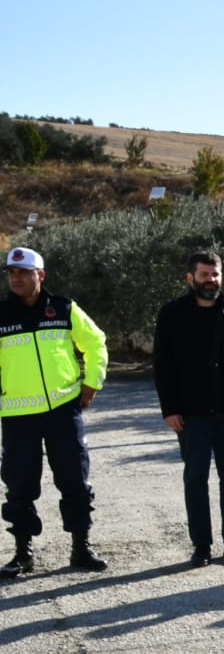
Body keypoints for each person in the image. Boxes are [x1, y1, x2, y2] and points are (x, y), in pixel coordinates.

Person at [0, 246, 110, 578]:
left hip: (63, 411)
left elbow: (95, 342)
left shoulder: (63, 308)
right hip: (18, 415)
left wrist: (92, 381)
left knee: (75, 479)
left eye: (24, 272)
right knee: (18, 485)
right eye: (11, 273)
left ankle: (81, 547)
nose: (16, 278)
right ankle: (22, 553)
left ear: (41, 275)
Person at [153, 251, 224, 568]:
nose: (210, 280)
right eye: (204, 274)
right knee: (195, 478)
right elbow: (163, 367)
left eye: (215, 274)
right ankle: (201, 545)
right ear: (190, 278)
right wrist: (170, 409)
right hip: (191, 415)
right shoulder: (172, 314)